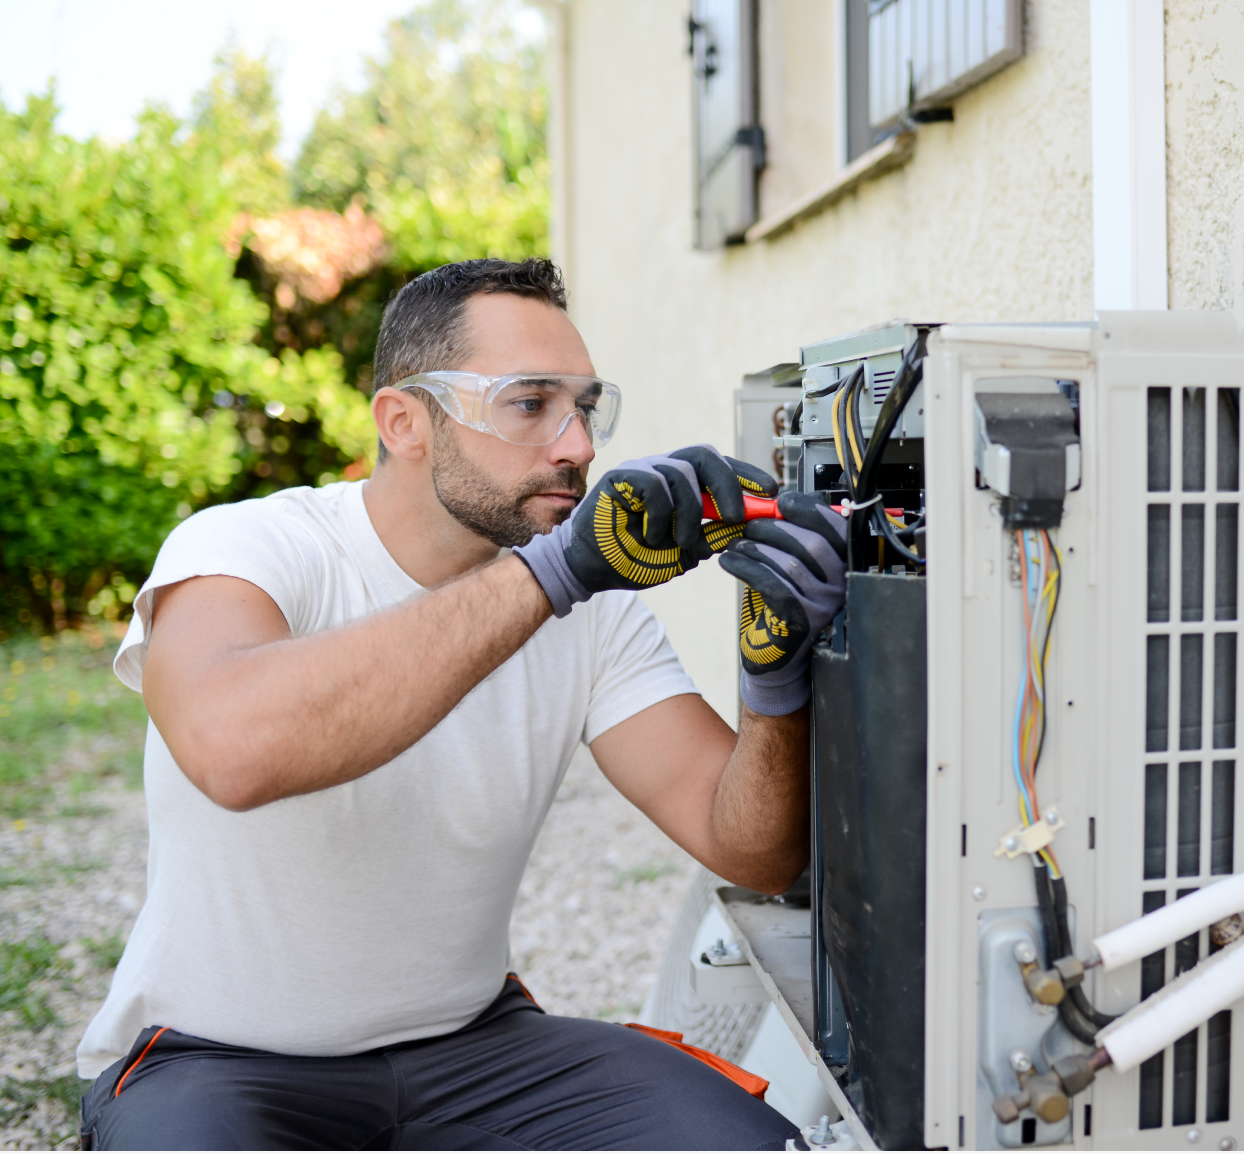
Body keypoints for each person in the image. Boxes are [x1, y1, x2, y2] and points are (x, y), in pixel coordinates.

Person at [76, 258, 848, 1150]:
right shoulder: (250, 546)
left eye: (585, 407)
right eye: (529, 403)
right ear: (405, 421)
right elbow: (232, 750)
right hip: (215, 1063)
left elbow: (751, 849)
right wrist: (550, 576)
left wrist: (775, 679)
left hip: (479, 1051)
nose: (576, 446)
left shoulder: (590, 611)